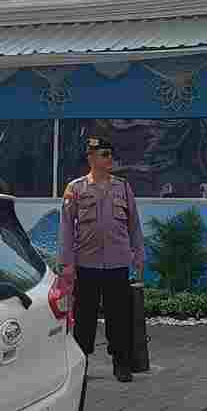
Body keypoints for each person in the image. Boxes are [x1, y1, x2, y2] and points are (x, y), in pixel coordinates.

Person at [59, 137, 145, 383]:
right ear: (91, 158)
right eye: (104, 154)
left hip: (117, 264)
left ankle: (122, 364)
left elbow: (134, 225)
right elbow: (66, 228)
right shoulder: (75, 189)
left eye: (110, 154)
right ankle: (81, 365)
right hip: (87, 264)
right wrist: (67, 264)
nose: (109, 159)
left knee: (119, 317)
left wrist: (138, 256)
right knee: (84, 318)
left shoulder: (123, 187)